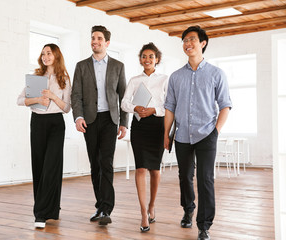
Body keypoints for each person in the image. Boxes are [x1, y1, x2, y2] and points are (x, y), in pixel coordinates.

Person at [164, 26, 232, 240]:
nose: (187, 43)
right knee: (184, 176)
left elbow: (225, 105)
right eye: (184, 40)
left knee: (205, 179)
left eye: (192, 39)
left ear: (203, 43)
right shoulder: (175, 77)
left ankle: (204, 226)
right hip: (182, 134)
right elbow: (169, 108)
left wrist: (216, 131)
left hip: (206, 134)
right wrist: (166, 134)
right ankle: (188, 209)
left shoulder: (216, 74)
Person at [71, 25, 128, 226]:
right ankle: (100, 205)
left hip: (110, 120)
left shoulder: (118, 66)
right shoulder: (81, 66)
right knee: (95, 165)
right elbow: (76, 94)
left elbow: (124, 96)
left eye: (99, 38)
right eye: (93, 38)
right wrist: (78, 117)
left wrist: (123, 123)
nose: (95, 41)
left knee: (106, 163)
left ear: (107, 43)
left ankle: (106, 208)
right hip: (90, 120)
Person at [17, 43, 71, 228]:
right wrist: (38, 99)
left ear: (56, 55)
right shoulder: (35, 77)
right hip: (38, 122)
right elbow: (20, 100)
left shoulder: (64, 78)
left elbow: (67, 108)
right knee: (39, 165)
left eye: (49, 53)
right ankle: (48, 209)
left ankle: (41, 213)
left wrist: (53, 97)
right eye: (43, 54)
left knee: (52, 166)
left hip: (56, 124)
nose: (45, 56)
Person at [121, 42, 168, 232]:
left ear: (157, 59)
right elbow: (124, 103)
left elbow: (170, 104)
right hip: (139, 125)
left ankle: (152, 206)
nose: (147, 59)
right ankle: (142, 213)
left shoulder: (165, 79)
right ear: (140, 59)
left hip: (157, 125)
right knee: (140, 168)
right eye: (144, 56)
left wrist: (154, 109)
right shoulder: (133, 80)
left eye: (151, 56)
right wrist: (135, 108)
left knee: (155, 170)